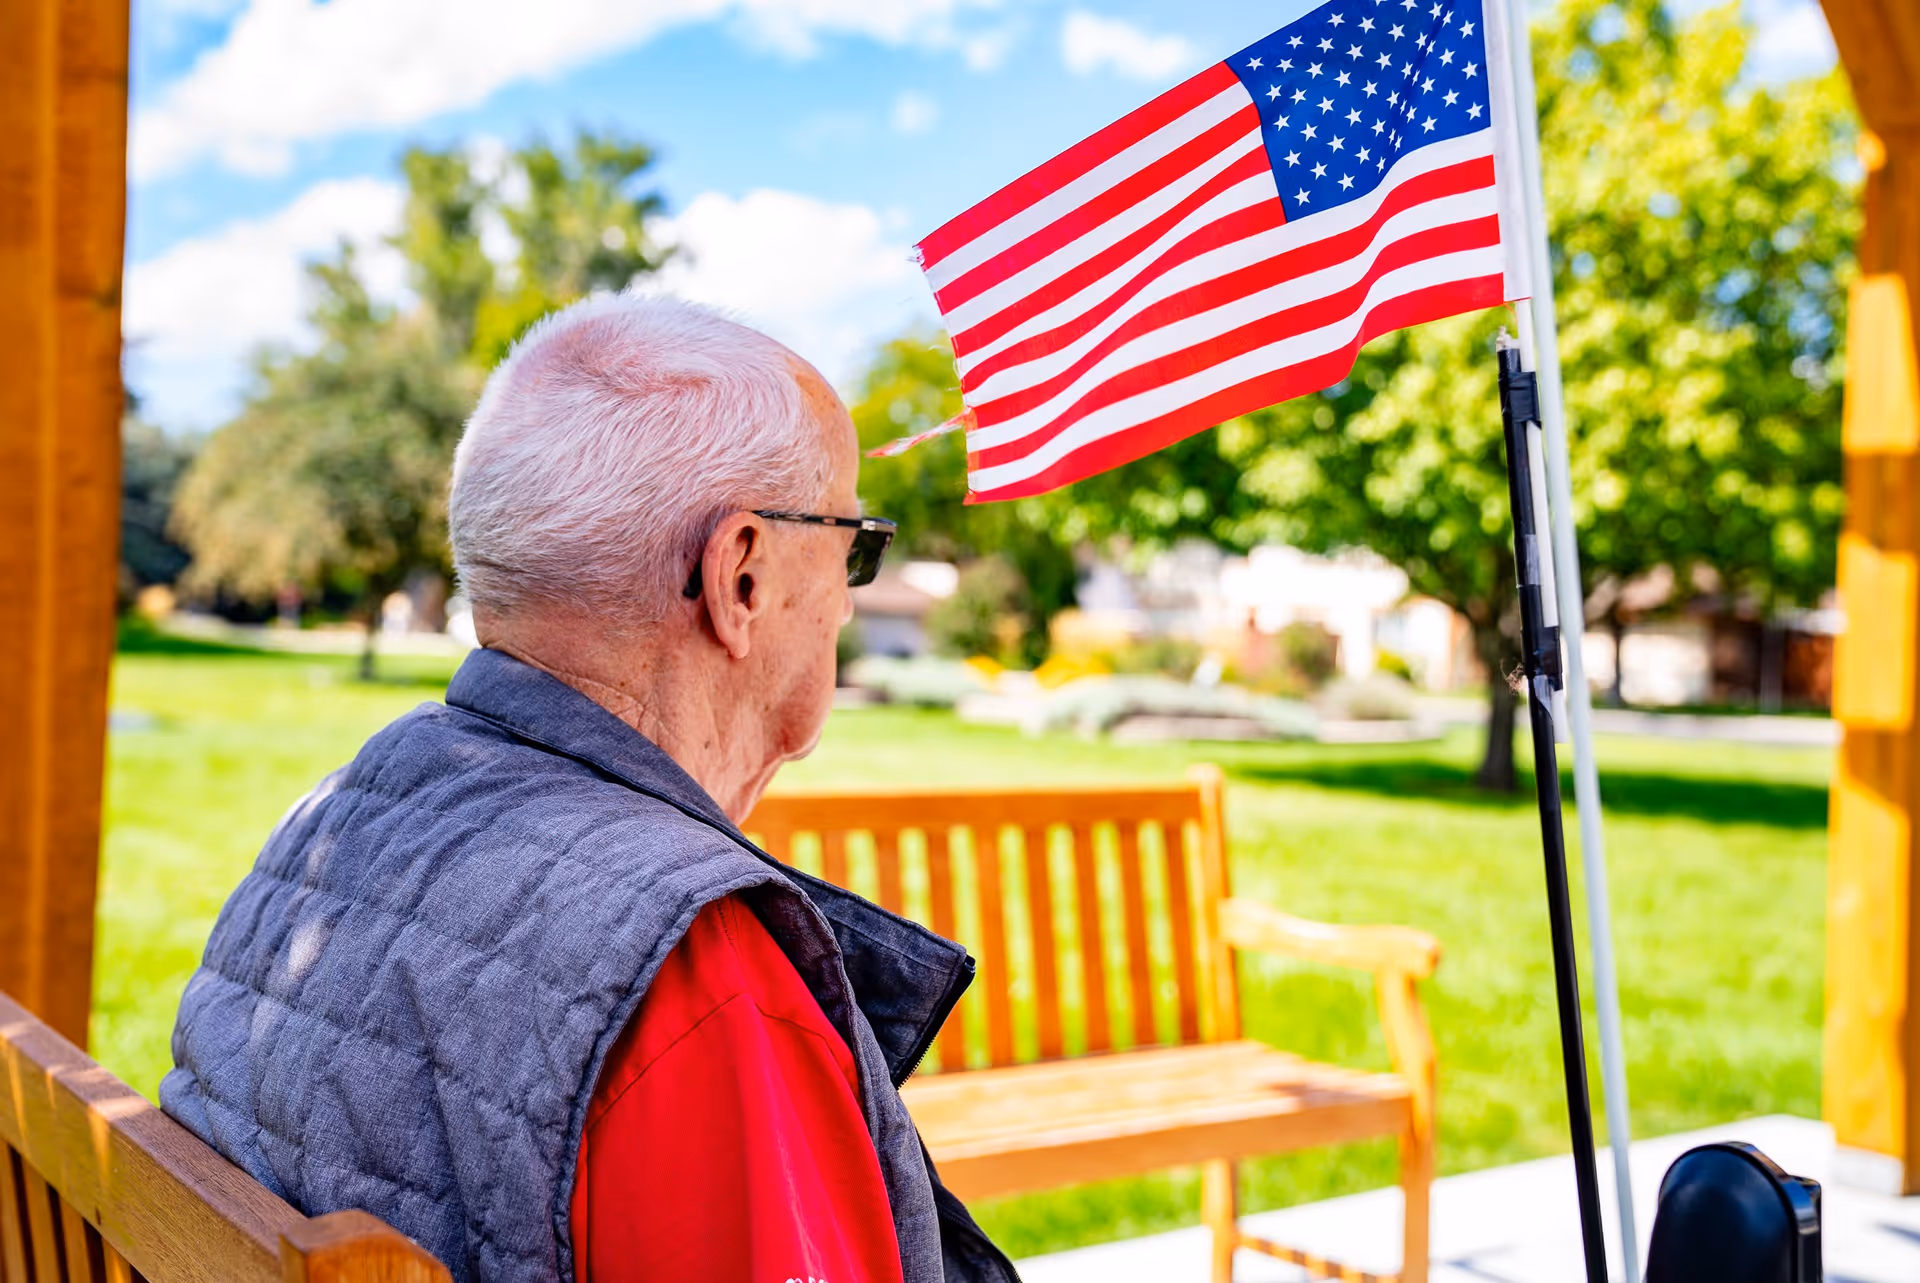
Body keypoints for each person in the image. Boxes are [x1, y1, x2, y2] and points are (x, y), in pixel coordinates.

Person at [160, 294, 1018, 1283]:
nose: (849, 594)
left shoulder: (339, 815)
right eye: (854, 545)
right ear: (741, 574)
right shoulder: (698, 975)